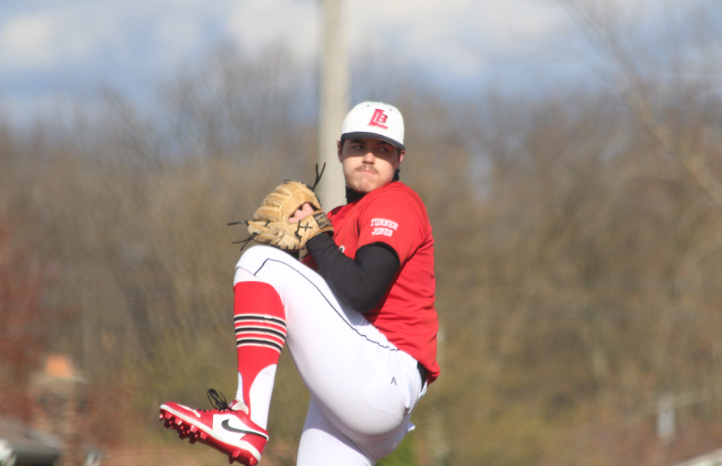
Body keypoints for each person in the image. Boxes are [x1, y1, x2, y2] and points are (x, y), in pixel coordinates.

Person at [159, 101, 439, 466]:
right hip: (352, 399)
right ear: (339, 150)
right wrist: (298, 246)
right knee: (270, 267)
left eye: (382, 149)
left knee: (259, 264)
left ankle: (247, 418)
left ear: (400, 158)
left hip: (384, 373)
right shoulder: (336, 219)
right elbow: (297, 302)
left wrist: (313, 236)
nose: (369, 158)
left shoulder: (395, 201)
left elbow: (363, 288)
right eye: (358, 146)